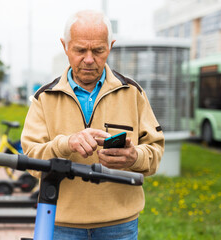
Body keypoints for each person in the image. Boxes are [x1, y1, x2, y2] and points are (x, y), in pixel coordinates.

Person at [21, 10, 165, 240]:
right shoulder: (44, 98)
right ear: (65, 46)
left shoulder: (133, 93)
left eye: (98, 50)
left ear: (110, 46)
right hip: (60, 224)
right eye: (80, 50)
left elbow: (155, 152)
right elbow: (32, 161)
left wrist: (134, 157)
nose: (89, 59)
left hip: (120, 227)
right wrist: (65, 144)